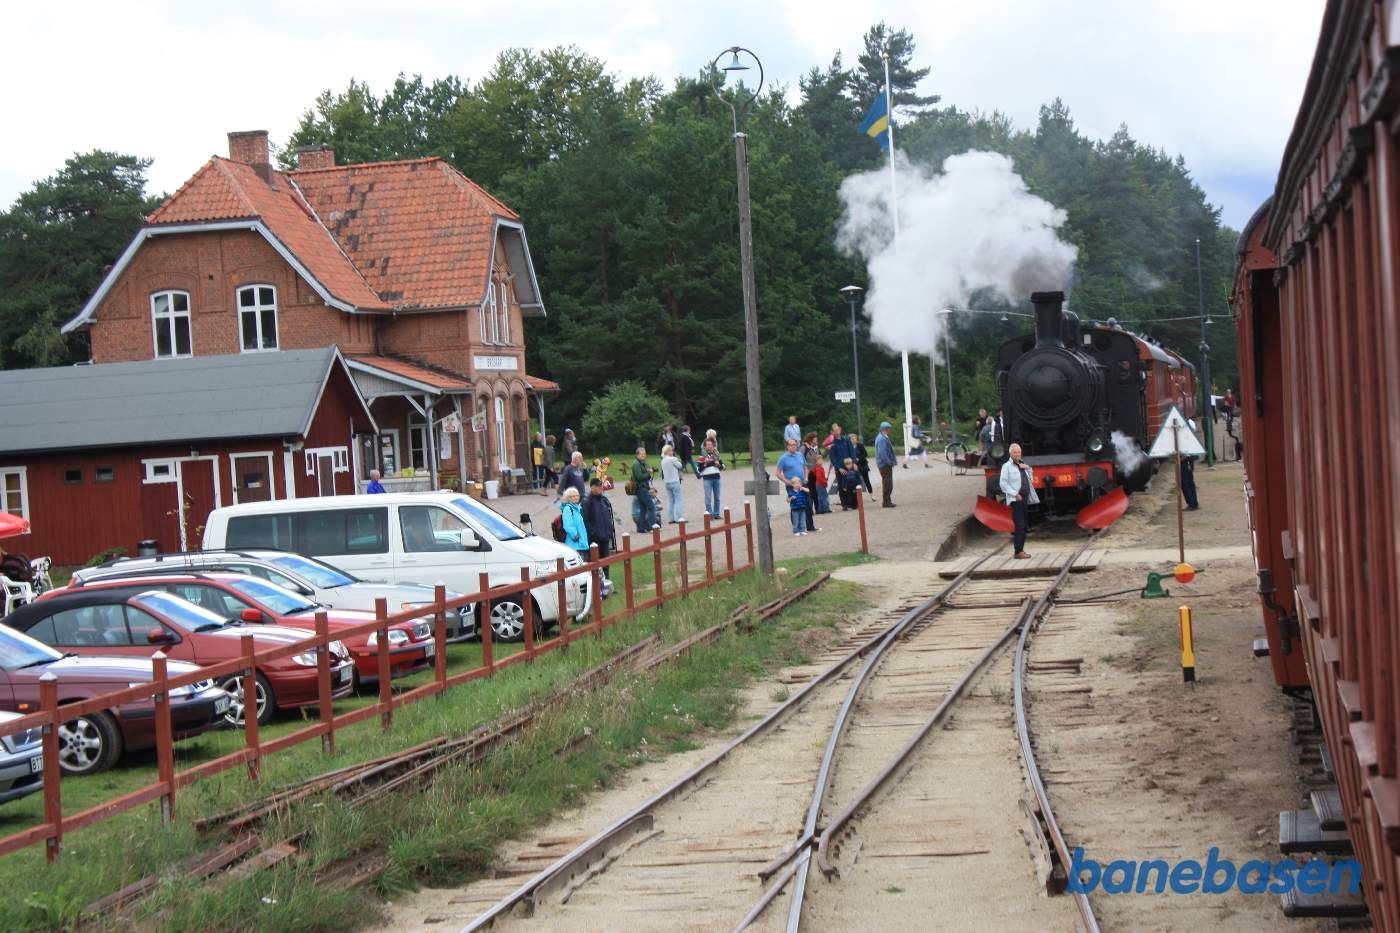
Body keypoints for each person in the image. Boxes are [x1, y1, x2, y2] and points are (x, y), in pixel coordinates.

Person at [999, 443, 1039, 559]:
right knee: (1020, 525)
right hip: (1016, 500)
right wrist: (1014, 494)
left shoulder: (1021, 463)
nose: (1017, 454)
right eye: (1015, 452)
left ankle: (1021, 550)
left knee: (1024, 525)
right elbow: (1003, 483)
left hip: (1025, 498)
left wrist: (1028, 469)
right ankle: (1018, 551)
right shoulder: (1006, 467)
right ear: (1010, 453)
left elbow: (1030, 479)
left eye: (1019, 452)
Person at [583, 479, 617, 579]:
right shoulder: (587, 501)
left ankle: (607, 582)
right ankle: (597, 586)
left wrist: (610, 530)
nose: (600, 488)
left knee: (606, 561)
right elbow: (585, 520)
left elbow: (608, 516)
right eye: (598, 486)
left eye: (601, 486)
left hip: (605, 536)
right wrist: (593, 533)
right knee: (595, 563)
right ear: (592, 487)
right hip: (595, 538)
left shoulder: (604, 500)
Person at [630, 447, 659, 532]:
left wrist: (650, 471)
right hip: (640, 489)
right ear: (637, 455)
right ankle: (652, 526)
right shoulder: (636, 464)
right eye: (641, 454)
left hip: (643, 488)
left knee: (643, 509)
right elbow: (639, 477)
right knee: (651, 506)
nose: (643, 456)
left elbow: (645, 475)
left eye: (644, 454)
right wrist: (649, 473)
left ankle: (641, 528)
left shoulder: (642, 463)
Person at [559, 487, 591, 562]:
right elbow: (568, 525)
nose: (575, 497)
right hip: (574, 544)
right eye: (572, 496)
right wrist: (575, 536)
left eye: (577, 495)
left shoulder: (578, 508)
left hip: (582, 543)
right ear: (567, 498)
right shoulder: (568, 509)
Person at [698, 439, 724, 519]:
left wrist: (718, 465)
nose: (710, 446)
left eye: (711, 445)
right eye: (708, 445)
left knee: (717, 498)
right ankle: (710, 515)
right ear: (705, 447)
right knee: (708, 498)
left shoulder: (716, 455)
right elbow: (698, 469)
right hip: (707, 479)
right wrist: (705, 464)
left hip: (717, 478)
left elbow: (723, 467)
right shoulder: (702, 456)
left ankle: (716, 514)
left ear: (713, 446)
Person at [801, 432, 822, 532]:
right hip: (808, 473)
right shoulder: (804, 448)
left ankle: (818, 508)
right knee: (809, 491)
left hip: (816, 472)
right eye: (815, 438)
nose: (816, 440)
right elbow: (802, 460)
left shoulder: (816, 447)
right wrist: (808, 469)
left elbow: (820, 456)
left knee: (815, 491)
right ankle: (810, 509)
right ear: (811, 439)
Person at [661, 444, 684, 523]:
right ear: (668, 451)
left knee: (670, 500)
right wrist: (677, 459)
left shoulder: (663, 460)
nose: (672, 452)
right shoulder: (672, 459)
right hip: (674, 481)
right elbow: (680, 466)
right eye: (671, 450)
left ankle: (671, 519)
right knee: (678, 500)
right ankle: (679, 518)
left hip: (667, 482)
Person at [875, 421, 897, 507]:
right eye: (888, 428)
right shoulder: (881, 438)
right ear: (884, 429)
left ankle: (887, 501)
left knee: (887, 483)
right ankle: (886, 502)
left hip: (884, 464)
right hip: (884, 464)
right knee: (887, 483)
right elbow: (882, 453)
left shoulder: (883, 437)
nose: (889, 430)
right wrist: (889, 462)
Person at [827, 424, 855, 488]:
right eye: (835, 430)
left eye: (837, 429)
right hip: (840, 470)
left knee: (852, 487)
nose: (837, 432)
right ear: (832, 432)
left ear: (840, 430)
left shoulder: (847, 440)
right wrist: (839, 468)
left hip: (850, 467)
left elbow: (852, 452)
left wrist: (854, 463)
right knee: (842, 488)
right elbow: (833, 458)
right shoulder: (832, 444)